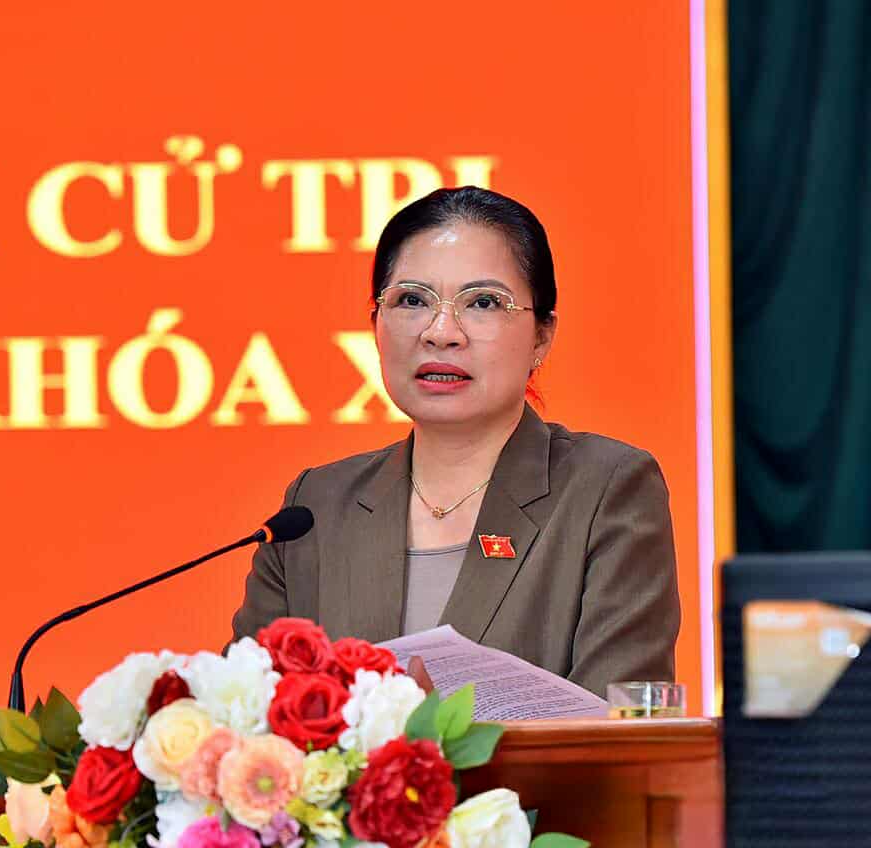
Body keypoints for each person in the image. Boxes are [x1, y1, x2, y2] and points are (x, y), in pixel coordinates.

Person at [230, 186, 680, 698]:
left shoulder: (606, 489)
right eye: (412, 301)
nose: (441, 332)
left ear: (542, 336)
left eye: (483, 302)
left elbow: (620, 736)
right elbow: (244, 721)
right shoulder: (315, 508)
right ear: (375, 324)